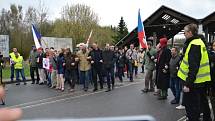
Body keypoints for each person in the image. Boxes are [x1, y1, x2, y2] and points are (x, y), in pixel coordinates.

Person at [177, 23, 211, 121]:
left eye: (185, 32)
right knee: (202, 104)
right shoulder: (199, 42)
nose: (184, 34)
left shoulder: (194, 44)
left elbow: (193, 67)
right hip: (200, 81)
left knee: (192, 107)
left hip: (193, 83)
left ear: (190, 32)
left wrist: (187, 84)